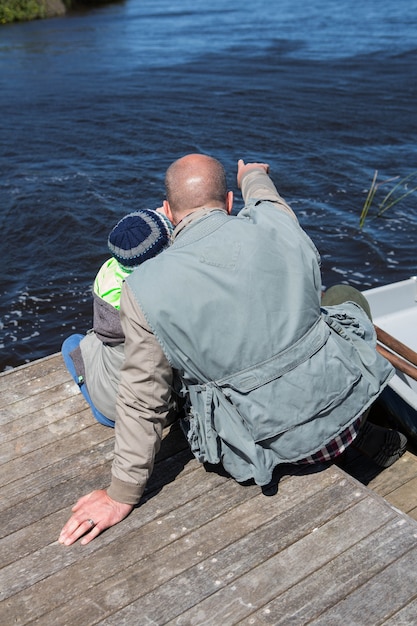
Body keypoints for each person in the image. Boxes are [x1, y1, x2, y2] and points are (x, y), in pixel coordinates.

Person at [59, 155, 404, 546]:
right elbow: (265, 200)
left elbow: (143, 399)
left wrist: (121, 494)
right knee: (344, 298)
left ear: (169, 213)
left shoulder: (144, 288)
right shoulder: (279, 224)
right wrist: (252, 174)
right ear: (227, 202)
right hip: (347, 418)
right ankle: (368, 432)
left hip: (263, 453)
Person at [61, 208, 173, 427]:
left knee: (72, 344)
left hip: (111, 412)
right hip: (164, 412)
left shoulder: (106, 273)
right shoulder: (163, 292)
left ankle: (91, 385)